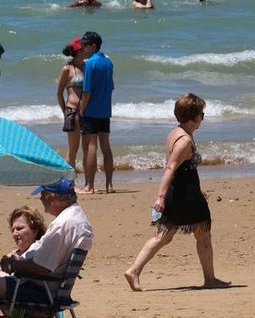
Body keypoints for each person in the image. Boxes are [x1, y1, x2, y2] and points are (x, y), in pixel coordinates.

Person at [124, 93, 230, 292]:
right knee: (202, 234)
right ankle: (210, 279)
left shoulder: (176, 132)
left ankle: (134, 271)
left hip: (183, 191)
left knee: (165, 235)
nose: (203, 118)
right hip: (182, 194)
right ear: (193, 116)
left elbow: (183, 169)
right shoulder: (184, 141)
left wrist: (197, 191)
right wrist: (161, 197)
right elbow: (171, 168)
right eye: (201, 114)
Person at [0, 178, 94, 318]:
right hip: (54, 288)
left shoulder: (63, 224)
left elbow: (42, 267)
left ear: (52, 197)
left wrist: (14, 266)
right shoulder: (78, 218)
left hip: (41, 290)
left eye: (43, 194)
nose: (40, 198)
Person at [77, 30, 115, 193]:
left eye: (85, 45)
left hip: (91, 109)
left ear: (94, 45)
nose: (83, 47)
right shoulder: (108, 61)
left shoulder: (90, 63)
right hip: (105, 109)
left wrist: (82, 110)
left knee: (90, 146)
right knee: (105, 146)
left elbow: (87, 91)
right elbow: (111, 86)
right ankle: (109, 184)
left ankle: (90, 186)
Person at [56, 37, 86, 175]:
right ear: (78, 51)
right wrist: (65, 112)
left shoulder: (87, 66)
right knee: (73, 149)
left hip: (87, 112)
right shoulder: (67, 69)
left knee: (87, 148)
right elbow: (59, 93)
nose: (87, 50)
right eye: (84, 48)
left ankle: (88, 183)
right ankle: (70, 183)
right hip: (72, 111)